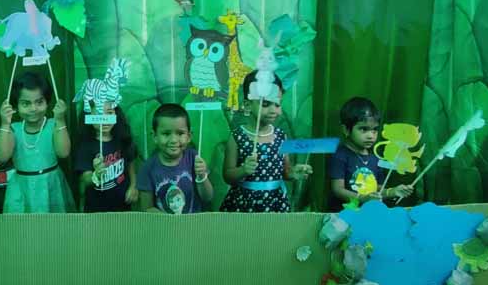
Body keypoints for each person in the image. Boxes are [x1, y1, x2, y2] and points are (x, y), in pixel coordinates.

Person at [219, 71, 312, 212]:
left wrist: (293, 173)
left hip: (275, 203)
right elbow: (227, 176)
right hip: (244, 204)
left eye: (277, 104)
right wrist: (243, 170)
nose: (273, 110)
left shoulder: (281, 136)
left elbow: (285, 171)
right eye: (266, 104)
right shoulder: (237, 137)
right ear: (247, 105)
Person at [0, 71, 74, 213]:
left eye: (39, 102)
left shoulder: (53, 125)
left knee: (55, 226)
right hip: (22, 188)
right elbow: (2, 156)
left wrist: (61, 120)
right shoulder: (13, 129)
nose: (33, 108)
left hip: (51, 186)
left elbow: (63, 153)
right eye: (26, 103)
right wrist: (5, 123)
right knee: (22, 226)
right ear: (15, 105)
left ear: (47, 102)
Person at [328, 97, 413, 211]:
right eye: (363, 129)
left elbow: (377, 189)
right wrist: (362, 198)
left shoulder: (375, 158)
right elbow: (338, 190)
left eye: (374, 130)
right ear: (346, 130)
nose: (371, 136)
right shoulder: (340, 156)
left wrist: (392, 191)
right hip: (345, 214)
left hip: (370, 213)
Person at [137, 104, 212, 213]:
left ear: (189, 136)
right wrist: (169, 221)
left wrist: (202, 176)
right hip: (162, 223)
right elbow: (147, 208)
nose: (173, 140)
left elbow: (207, 197)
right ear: (155, 136)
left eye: (180, 133)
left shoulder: (194, 159)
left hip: (194, 222)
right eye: (166, 134)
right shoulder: (147, 168)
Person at [74, 103, 138, 212]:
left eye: (109, 113)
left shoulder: (122, 139)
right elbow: (85, 178)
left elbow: (130, 163)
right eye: (99, 114)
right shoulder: (86, 145)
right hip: (96, 209)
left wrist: (133, 186)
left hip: (123, 206)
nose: (105, 119)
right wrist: (95, 175)